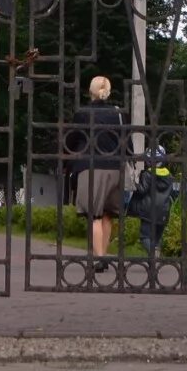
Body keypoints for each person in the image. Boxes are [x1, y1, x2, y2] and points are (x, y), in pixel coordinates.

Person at [66, 74, 125, 268]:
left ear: (90, 90)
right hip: (115, 168)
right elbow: (126, 141)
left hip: (91, 168)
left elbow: (72, 140)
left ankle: (99, 259)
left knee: (94, 215)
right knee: (108, 214)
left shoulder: (83, 113)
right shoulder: (118, 113)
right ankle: (104, 255)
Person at [132, 145, 177, 258]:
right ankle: (156, 253)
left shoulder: (148, 174)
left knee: (145, 236)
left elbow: (142, 190)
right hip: (163, 211)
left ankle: (152, 254)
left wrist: (135, 183)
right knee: (157, 237)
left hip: (148, 210)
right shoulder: (169, 176)